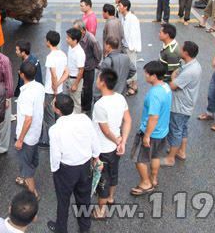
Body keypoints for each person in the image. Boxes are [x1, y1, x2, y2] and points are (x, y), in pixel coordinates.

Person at [46, 94, 101, 233]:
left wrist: (54, 170)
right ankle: (84, 226)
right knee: (83, 198)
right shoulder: (84, 119)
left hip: (66, 169)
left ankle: (61, 228)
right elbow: (93, 138)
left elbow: (55, 155)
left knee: (63, 200)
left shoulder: (55, 130)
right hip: (85, 165)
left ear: (58, 110)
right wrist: (96, 156)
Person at [92, 68, 132, 219]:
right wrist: (123, 141)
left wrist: (117, 140)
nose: (96, 81)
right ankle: (110, 197)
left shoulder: (100, 105)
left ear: (102, 83)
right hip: (115, 147)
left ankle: (101, 211)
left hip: (104, 148)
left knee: (103, 179)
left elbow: (105, 130)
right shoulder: (120, 98)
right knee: (113, 173)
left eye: (98, 79)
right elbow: (128, 120)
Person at [129, 61, 171, 196]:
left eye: (147, 73)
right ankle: (153, 178)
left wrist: (146, 135)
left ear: (154, 76)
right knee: (156, 155)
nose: (145, 75)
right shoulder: (166, 87)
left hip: (152, 131)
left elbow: (153, 117)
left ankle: (146, 183)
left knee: (139, 158)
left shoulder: (154, 94)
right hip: (162, 131)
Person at [162, 41, 202, 166]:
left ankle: (170, 158)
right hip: (187, 104)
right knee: (183, 128)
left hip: (180, 106)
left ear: (186, 53)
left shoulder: (190, 71)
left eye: (182, 49)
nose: (179, 51)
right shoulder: (193, 65)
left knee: (175, 130)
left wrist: (174, 79)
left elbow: (174, 85)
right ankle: (181, 151)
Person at [14, 62, 44, 200]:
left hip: (27, 136)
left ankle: (33, 193)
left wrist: (20, 139)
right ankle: (27, 180)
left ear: (22, 75)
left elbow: (28, 119)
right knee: (33, 160)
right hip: (36, 132)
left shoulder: (26, 94)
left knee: (26, 165)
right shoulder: (39, 87)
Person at [40, 31, 68, 147]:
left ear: (48, 41)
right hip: (60, 90)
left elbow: (53, 74)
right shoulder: (62, 54)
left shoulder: (50, 57)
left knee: (49, 118)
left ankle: (51, 142)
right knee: (59, 116)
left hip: (50, 92)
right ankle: (61, 139)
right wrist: (59, 85)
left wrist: (54, 87)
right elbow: (66, 73)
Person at [73, 19, 102, 114]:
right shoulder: (76, 38)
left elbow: (98, 54)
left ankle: (86, 107)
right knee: (79, 87)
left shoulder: (91, 39)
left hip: (88, 67)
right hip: (79, 67)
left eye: (75, 29)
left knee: (88, 88)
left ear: (82, 30)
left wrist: (93, 65)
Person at [119, 0, 142, 96]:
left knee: (132, 65)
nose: (118, 8)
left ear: (125, 7)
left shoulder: (132, 19)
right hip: (125, 45)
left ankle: (134, 86)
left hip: (130, 47)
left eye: (120, 6)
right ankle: (128, 81)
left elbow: (133, 34)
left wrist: (132, 48)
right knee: (127, 65)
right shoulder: (123, 17)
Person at [63, 28, 85, 114]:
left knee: (76, 102)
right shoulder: (70, 47)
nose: (66, 39)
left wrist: (75, 85)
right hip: (69, 77)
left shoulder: (79, 53)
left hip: (75, 79)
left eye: (68, 38)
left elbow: (81, 70)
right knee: (68, 100)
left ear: (75, 40)